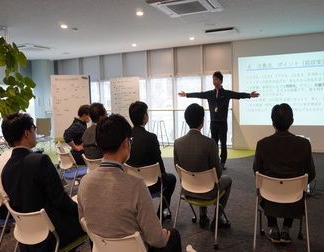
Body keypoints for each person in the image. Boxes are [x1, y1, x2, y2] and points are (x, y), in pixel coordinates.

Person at [77, 114, 182, 252]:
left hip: (101, 247)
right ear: (125, 143)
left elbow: (83, 222)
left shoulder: (85, 182)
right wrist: (163, 235)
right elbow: (157, 240)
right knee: (173, 235)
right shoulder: (136, 185)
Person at [1, 112, 86, 251]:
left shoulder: (6, 168)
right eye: (33, 129)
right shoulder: (40, 161)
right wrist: (80, 210)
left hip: (27, 237)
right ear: (27, 133)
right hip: (52, 234)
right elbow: (60, 200)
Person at [253, 103, 316, 244]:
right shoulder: (304, 144)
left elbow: (257, 172)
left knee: (264, 185)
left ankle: (273, 227)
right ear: (292, 121)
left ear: (272, 122)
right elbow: (311, 174)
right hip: (295, 198)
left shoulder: (262, 144)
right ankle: (286, 229)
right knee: (297, 187)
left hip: (268, 196)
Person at [178, 71, 260, 169]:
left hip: (222, 122)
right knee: (214, 143)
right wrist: (186, 94)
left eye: (216, 79)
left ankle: (223, 162)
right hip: (213, 122)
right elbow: (199, 94)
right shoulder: (209, 94)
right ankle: (215, 160)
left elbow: (238, 95)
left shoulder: (226, 93)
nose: (214, 81)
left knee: (223, 142)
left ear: (221, 80)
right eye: (213, 79)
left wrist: (249, 95)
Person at [174, 103, 232, 230]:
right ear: (202, 121)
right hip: (209, 192)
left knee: (199, 172)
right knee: (227, 180)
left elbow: (177, 168)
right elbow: (218, 174)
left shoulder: (177, 143)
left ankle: (202, 216)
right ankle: (217, 219)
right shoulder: (210, 143)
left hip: (187, 190)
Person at [126, 101, 177, 221]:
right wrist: (163, 175)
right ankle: (160, 214)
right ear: (144, 117)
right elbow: (158, 163)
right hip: (151, 184)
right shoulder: (151, 137)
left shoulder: (126, 137)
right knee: (172, 179)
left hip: (131, 183)